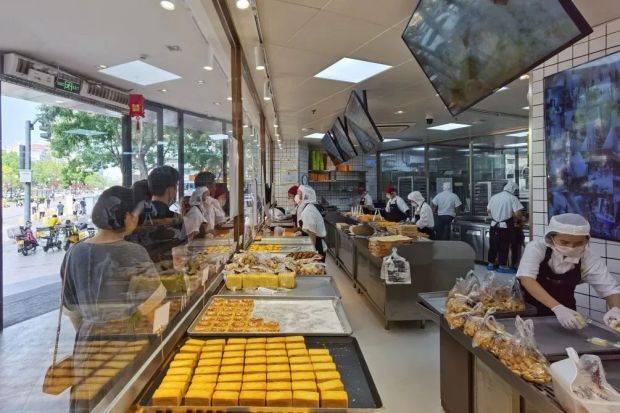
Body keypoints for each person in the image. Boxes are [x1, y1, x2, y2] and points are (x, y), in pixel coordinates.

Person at [60, 186, 165, 335]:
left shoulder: (73, 252)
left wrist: (91, 335)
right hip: (127, 339)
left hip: (86, 340)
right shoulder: (134, 252)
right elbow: (153, 310)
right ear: (127, 217)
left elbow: (72, 311)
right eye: (136, 214)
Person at [517, 213, 620, 330]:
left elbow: (610, 289)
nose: (571, 247)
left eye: (578, 243)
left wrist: (616, 309)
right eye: (564, 242)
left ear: (586, 240)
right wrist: (557, 308)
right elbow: (527, 279)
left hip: (566, 313)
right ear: (551, 237)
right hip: (528, 309)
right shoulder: (537, 247)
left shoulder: (589, 258)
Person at [486, 181, 524, 273]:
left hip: (494, 225)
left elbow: (488, 210)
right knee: (504, 245)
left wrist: (498, 212)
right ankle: (502, 266)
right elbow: (518, 214)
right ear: (512, 189)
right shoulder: (512, 198)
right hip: (505, 227)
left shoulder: (494, 197)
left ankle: (490, 264)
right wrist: (520, 217)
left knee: (493, 244)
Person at [296, 185, 327, 261]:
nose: (297, 195)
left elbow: (312, 233)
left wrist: (312, 252)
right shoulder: (308, 207)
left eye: (299, 193)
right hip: (315, 242)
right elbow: (309, 227)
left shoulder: (308, 210)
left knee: (316, 267)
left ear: (305, 195)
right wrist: (303, 232)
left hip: (317, 245)